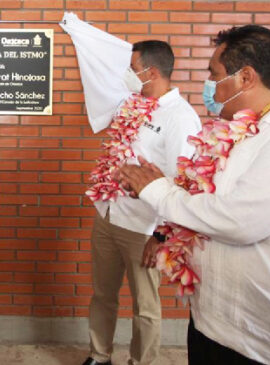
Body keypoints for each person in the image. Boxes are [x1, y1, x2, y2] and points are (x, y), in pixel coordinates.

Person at [119, 25, 270, 364]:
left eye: (214, 74)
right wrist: (169, 189)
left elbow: (238, 220)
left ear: (246, 77)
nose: (209, 85)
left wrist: (158, 191)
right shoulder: (238, 131)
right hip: (215, 324)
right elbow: (207, 197)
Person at [83, 41, 201, 365]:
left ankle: (140, 362)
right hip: (109, 215)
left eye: (133, 68)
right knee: (102, 295)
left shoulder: (181, 118)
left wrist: (161, 235)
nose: (128, 74)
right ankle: (99, 355)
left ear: (151, 72)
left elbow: (185, 182)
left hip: (144, 228)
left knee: (145, 307)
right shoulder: (132, 104)